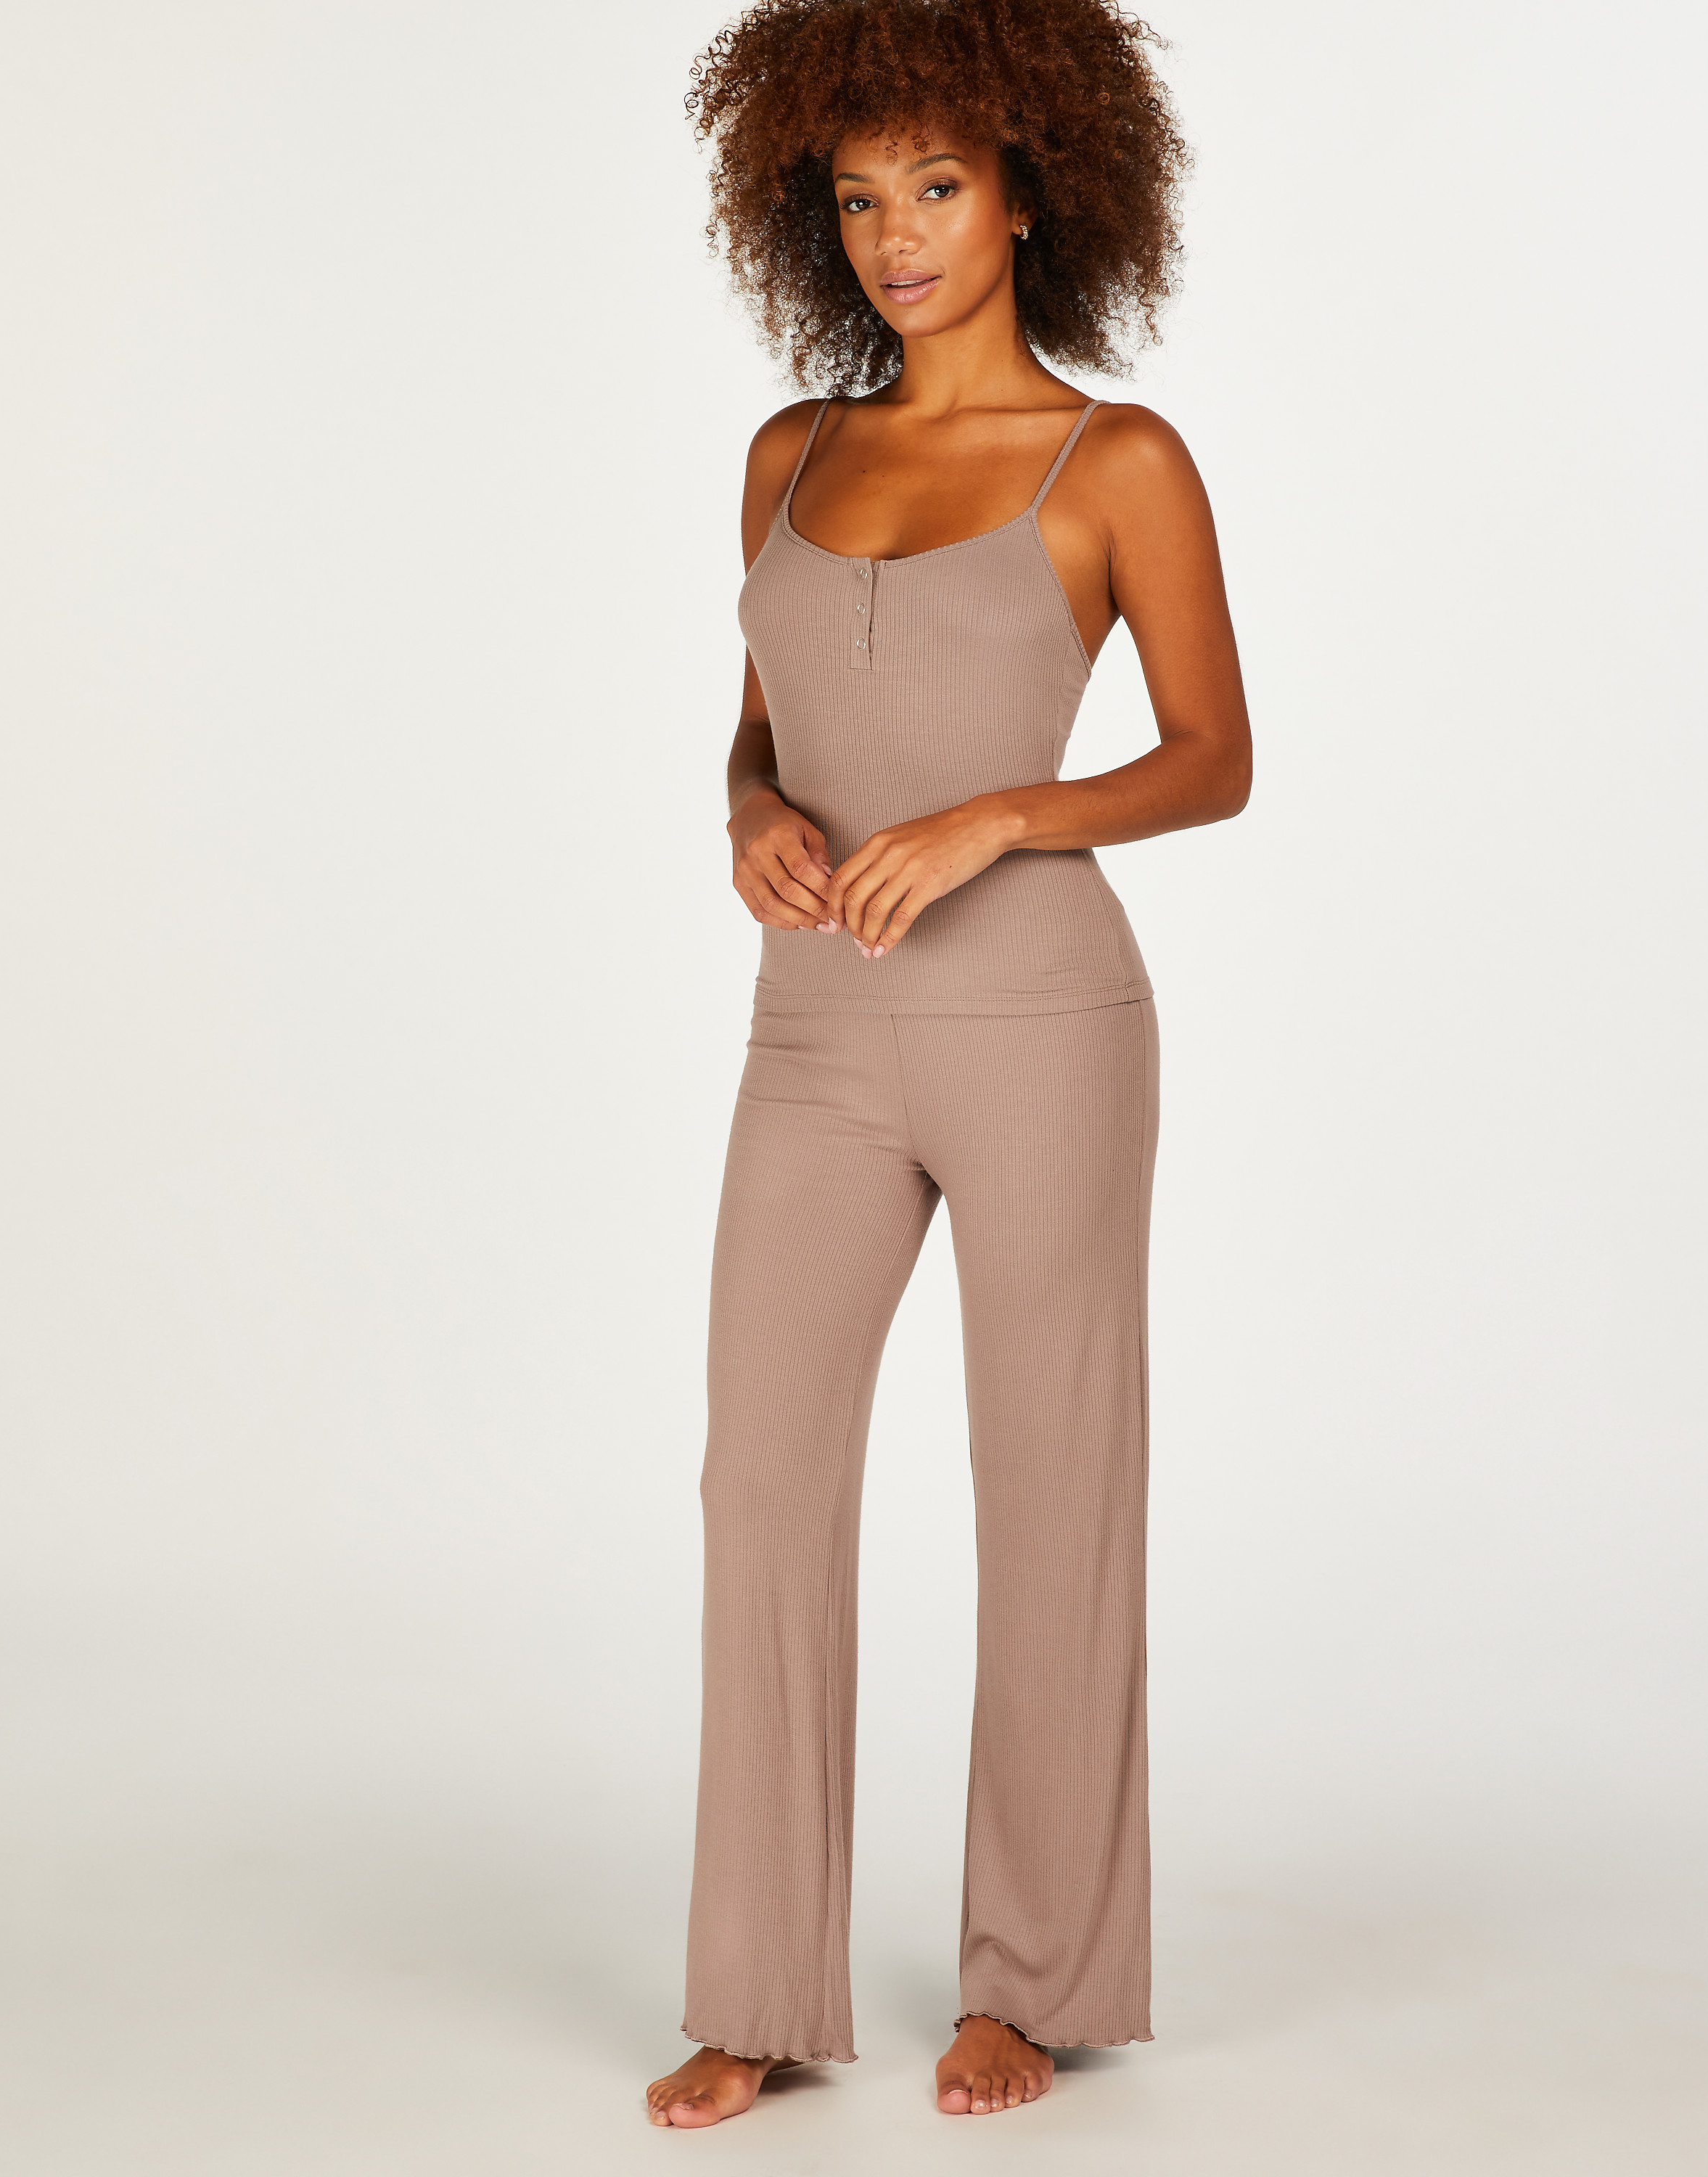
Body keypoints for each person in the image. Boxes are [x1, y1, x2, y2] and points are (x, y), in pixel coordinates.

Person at [645, 0, 1252, 2129]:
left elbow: (1213, 757)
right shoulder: (791, 455)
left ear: (1027, 192)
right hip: (814, 1029)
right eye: (854, 197)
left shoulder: (1118, 461)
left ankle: (1040, 1981)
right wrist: (747, 810)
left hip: (1041, 1024)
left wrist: (1003, 812)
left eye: (934, 186)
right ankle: (756, 1985)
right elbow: (764, 720)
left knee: (1054, 1483)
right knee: (761, 1479)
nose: (894, 235)